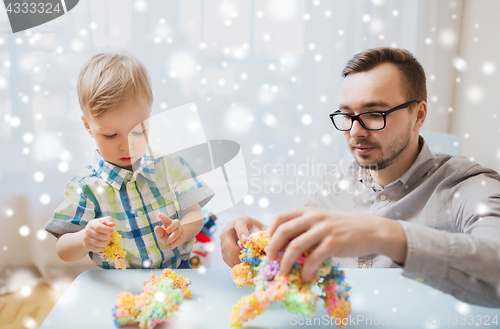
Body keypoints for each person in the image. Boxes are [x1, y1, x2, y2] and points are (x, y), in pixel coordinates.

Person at [221, 47, 500, 307]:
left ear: (419, 115)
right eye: (347, 115)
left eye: (374, 114)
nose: (355, 132)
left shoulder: (468, 186)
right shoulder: (334, 178)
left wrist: (383, 235)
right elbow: (302, 259)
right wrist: (263, 244)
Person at [45, 52, 214, 269]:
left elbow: (194, 212)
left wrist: (184, 229)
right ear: (88, 126)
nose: (127, 145)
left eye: (138, 130)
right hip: (121, 282)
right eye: (110, 135)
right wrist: (84, 238)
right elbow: (63, 249)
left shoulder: (170, 166)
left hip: (178, 273)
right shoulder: (85, 187)